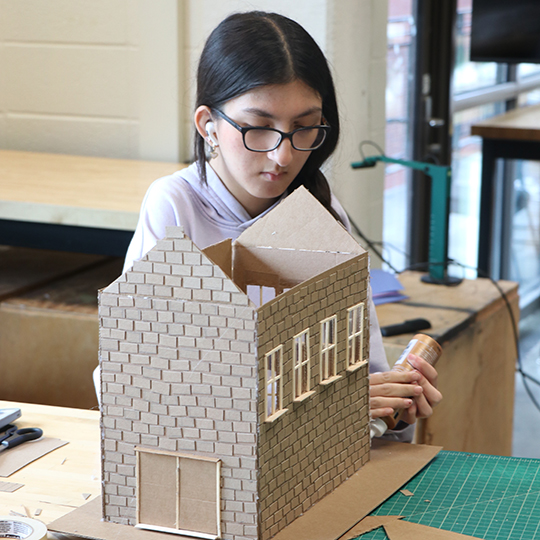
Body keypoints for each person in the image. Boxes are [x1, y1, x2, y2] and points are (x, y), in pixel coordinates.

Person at [123, 11, 442, 441]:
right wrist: (323, 404)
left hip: (305, 460)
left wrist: (396, 409)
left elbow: (368, 376)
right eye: (258, 128)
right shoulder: (174, 207)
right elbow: (139, 384)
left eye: (305, 128)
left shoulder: (321, 213)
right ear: (208, 126)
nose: (283, 157)